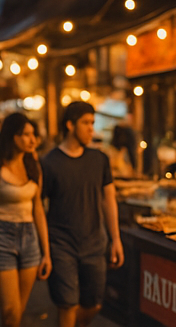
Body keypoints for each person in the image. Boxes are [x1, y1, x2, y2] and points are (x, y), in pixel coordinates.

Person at [42, 101, 123, 327]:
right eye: (86, 123)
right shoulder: (49, 162)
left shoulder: (100, 160)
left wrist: (115, 239)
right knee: (67, 305)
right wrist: (44, 248)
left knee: (94, 304)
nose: (91, 129)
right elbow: (39, 205)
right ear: (70, 125)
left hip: (95, 245)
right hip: (61, 245)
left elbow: (109, 200)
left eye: (93, 123)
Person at [0, 114, 52, 327]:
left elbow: (38, 210)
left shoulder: (33, 165)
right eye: (26, 135)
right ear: (12, 136)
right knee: (10, 311)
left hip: (29, 239)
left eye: (33, 135)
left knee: (19, 311)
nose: (32, 140)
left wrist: (46, 252)